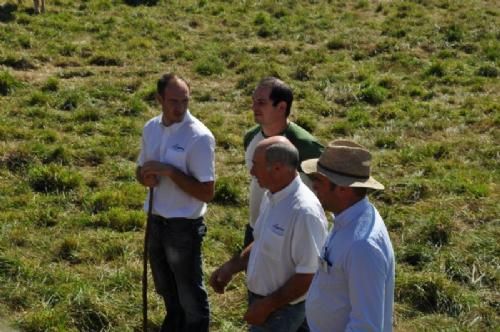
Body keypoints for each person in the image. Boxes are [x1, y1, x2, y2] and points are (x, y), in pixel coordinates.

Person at [210, 136, 328, 332]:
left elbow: (308, 274)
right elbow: (262, 241)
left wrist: (266, 306)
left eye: (256, 165)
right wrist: (232, 266)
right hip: (267, 304)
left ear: (278, 168)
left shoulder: (304, 212)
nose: (251, 171)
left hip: (282, 309)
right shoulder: (271, 195)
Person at [136, 73, 215, 332]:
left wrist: (169, 172)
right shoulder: (150, 128)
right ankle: (173, 324)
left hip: (183, 225)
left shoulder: (199, 137)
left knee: (189, 291)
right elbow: (140, 169)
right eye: (173, 101)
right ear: (159, 99)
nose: (179, 107)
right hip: (156, 219)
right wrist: (144, 177)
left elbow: (206, 191)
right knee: (164, 285)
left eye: (185, 101)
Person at [301, 140, 395, 332]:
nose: (313, 185)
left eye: (319, 180)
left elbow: (366, 327)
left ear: (343, 189)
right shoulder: (348, 218)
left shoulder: (363, 247)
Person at [243, 77, 324, 248]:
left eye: (261, 102)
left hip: (290, 234)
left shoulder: (306, 146)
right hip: (256, 226)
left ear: (281, 107)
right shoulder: (250, 137)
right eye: (254, 101)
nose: (254, 107)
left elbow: (324, 188)